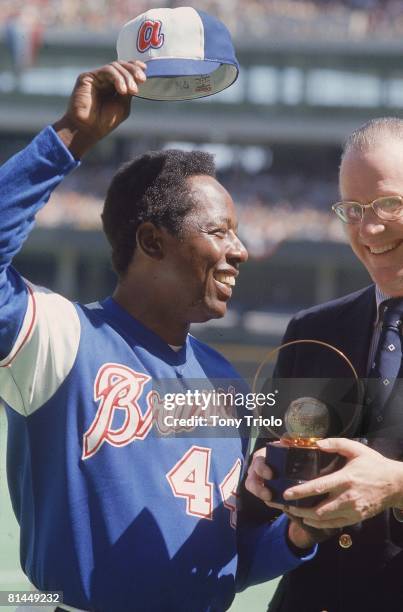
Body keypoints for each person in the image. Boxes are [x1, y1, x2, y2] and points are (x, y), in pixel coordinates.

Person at [0, 61, 317, 612]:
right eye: (219, 232)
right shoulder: (64, 339)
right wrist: (70, 138)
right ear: (151, 241)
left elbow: (224, 560)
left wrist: (297, 535)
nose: (240, 251)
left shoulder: (226, 383)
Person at [244, 117, 403, 612]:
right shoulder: (311, 331)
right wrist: (263, 482)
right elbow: (267, 479)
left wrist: (396, 485)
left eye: (389, 204)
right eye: (352, 209)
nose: (369, 228)